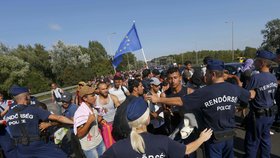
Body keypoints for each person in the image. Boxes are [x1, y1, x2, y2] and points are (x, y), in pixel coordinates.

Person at [147, 59, 255, 158]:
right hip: (230, 137)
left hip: (213, 139)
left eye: (206, 73)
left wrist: (158, 100)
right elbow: (251, 95)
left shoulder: (204, 92)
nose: (204, 77)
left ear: (212, 74)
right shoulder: (234, 88)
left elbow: (181, 101)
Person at [101, 97, 213, 158]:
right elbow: (186, 150)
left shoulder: (118, 148)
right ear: (148, 119)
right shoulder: (162, 141)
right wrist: (202, 138)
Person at [4, 85, 73, 158]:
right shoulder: (33, 110)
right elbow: (58, 117)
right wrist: (73, 122)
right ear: (26, 97)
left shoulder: (8, 115)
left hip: (21, 149)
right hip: (39, 146)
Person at [244, 50, 278, 158]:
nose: (254, 63)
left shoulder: (256, 78)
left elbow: (247, 95)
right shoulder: (273, 77)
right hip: (270, 114)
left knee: (253, 141)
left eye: (257, 61)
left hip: (258, 116)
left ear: (262, 63)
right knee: (265, 139)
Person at [73, 86, 106, 157]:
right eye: (92, 96)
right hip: (90, 147)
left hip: (99, 141)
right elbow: (79, 134)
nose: (95, 97)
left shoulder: (93, 107)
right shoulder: (80, 112)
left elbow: (95, 121)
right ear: (85, 98)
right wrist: (89, 122)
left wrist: (101, 119)